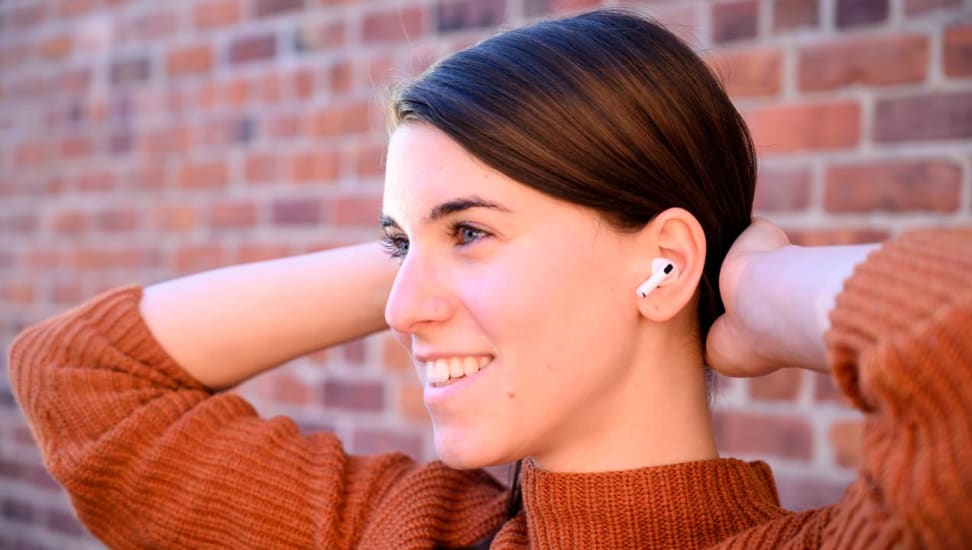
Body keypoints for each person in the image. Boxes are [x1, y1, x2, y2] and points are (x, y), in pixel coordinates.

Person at [8, 8, 971, 549]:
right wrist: (422, 251)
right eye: (396, 245)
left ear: (667, 257)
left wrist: (759, 289)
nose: (399, 310)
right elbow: (79, 377)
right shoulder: (393, 531)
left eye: (472, 229)